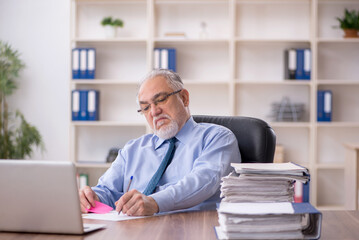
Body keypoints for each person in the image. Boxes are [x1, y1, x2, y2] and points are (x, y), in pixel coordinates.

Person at [79, 69, 241, 216]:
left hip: (193, 231)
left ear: (184, 98)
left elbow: (203, 182)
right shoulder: (133, 149)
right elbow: (107, 191)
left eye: (161, 100)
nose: (154, 112)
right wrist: (92, 197)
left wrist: (155, 202)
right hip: (133, 232)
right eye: (146, 107)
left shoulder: (217, 138)